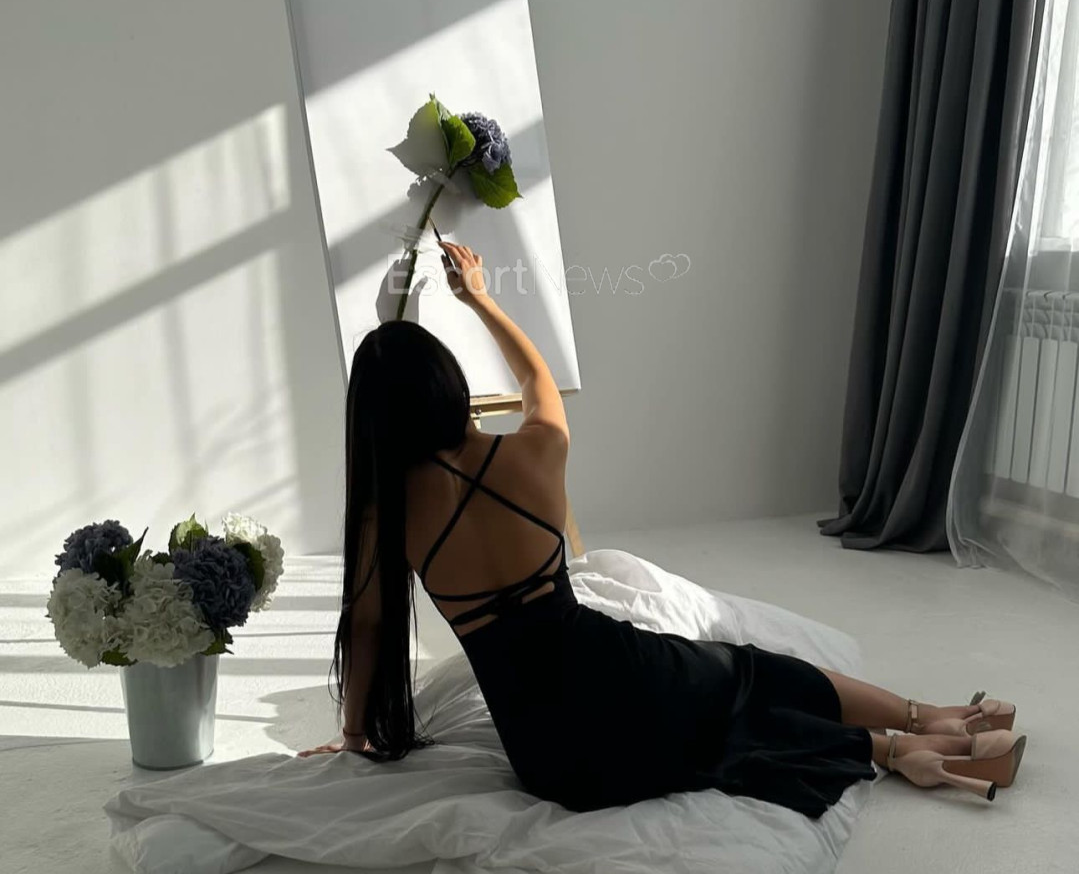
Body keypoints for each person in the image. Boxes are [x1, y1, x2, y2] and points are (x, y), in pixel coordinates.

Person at [298, 241, 1026, 813]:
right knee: (747, 674)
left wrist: (355, 735)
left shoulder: (385, 517)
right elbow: (537, 383)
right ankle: (930, 721)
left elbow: (367, 630)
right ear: (451, 386)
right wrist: (480, 299)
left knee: (717, 720)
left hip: (552, 762)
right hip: (618, 675)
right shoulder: (532, 454)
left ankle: (898, 750)